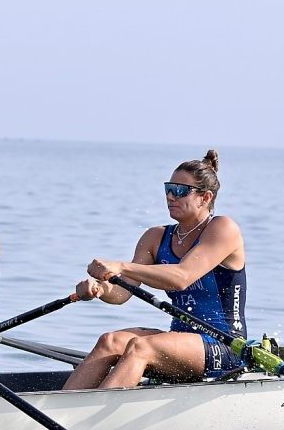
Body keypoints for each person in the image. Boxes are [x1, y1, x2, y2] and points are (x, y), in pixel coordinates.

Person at [63, 150, 246, 390]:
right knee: (110, 341)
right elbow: (121, 294)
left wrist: (121, 266)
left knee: (140, 347)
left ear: (205, 197)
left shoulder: (223, 228)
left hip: (224, 344)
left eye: (181, 191)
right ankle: (59, 413)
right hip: (179, 340)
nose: (171, 196)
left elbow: (181, 277)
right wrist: (99, 289)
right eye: (168, 189)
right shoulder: (155, 237)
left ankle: (95, 421)